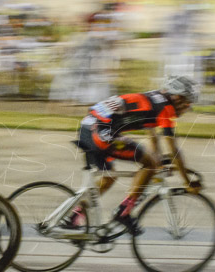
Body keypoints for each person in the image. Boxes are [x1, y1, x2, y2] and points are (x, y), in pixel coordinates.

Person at [74, 75, 200, 232]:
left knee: (109, 178)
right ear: (177, 97)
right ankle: (124, 212)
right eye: (187, 103)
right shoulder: (166, 108)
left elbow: (153, 136)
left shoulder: (155, 98)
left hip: (90, 127)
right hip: (100, 132)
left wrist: (158, 161)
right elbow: (174, 149)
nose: (187, 108)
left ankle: (73, 216)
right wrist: (187, 182)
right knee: (150, 163)